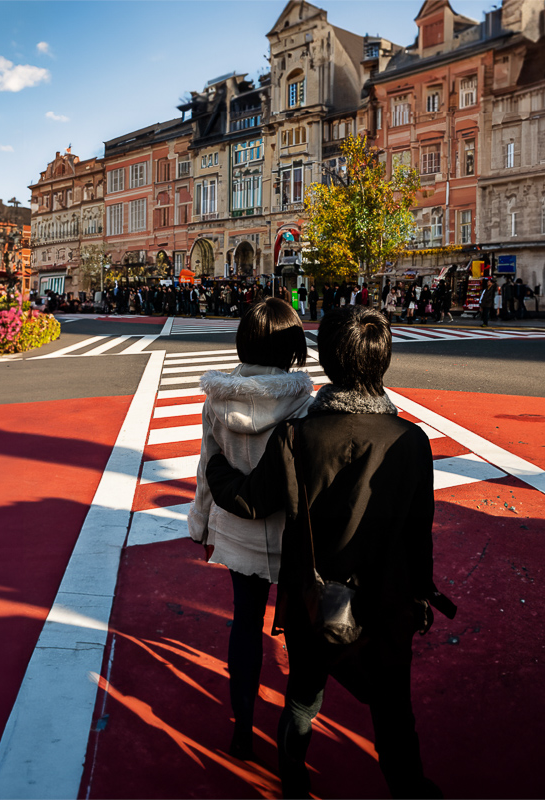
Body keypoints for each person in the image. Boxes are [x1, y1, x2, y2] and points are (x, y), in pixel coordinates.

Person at [207, 304, 444, 799]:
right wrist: (420, 593)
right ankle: (408, 785)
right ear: (382, 360)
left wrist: (217, 470)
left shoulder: (300, 436)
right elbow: (420, 532)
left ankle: (292, 775)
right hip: (388, 597)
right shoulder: (411, 442)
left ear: (328, 360)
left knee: (303, 697)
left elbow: (253, 499)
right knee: (394, 705)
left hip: (314, 597)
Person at [187, 297, 315, 761]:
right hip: (292, 535)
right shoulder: (303, 402)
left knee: (245, 625)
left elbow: (206, 469)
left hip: (238, 531)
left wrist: (201, 529)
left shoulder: (217, 399)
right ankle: (292, 738)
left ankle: (242, 725)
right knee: (300, 634)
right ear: (293, 348)